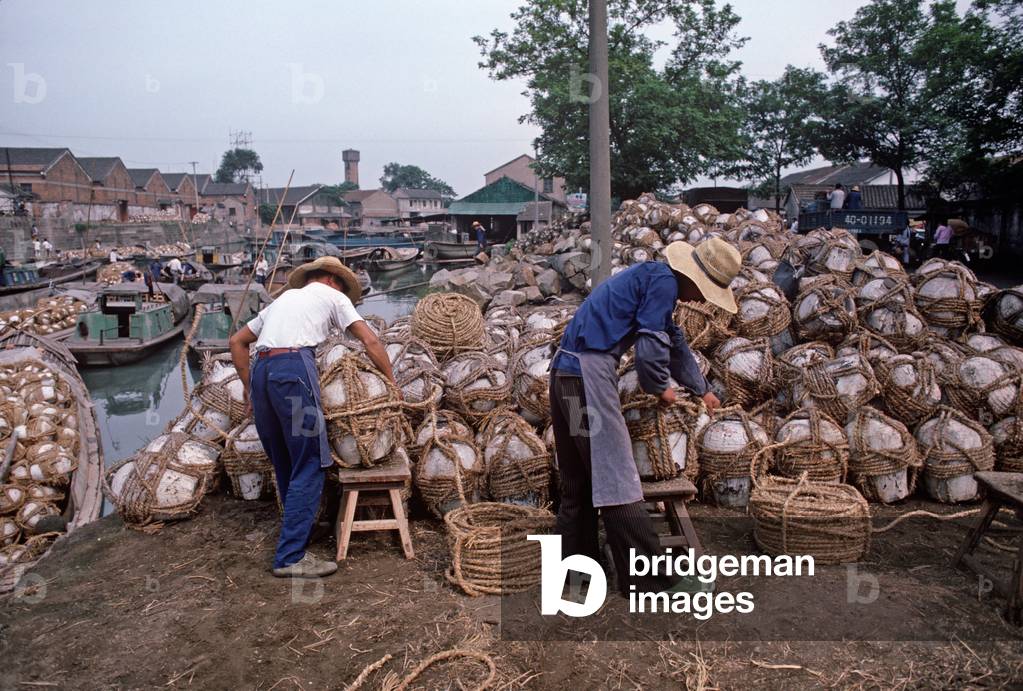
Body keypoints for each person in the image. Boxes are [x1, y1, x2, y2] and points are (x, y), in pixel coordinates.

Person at [550, 237, 737, 596]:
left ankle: (578, 571)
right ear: (694, 278)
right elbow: (652, 347)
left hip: (566, 378)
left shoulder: (650, 278)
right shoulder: (664, 284)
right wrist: (659, 386)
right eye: (705, 291)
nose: (700, 301)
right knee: (617, 478)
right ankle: (648, 580)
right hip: (588, 378)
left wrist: (702, 389)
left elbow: (674, 341)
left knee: (580, 481)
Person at [229, 257, 399, 578]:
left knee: (287, 463)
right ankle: (290, 557)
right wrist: (391, 382)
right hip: (293, 372)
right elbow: (370, 340)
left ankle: (299, 534)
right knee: (311, 463)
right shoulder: (333, 297)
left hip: (264, 371)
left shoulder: (284, 299)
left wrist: (250, 390)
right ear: (334, 280)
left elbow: (237, 342)